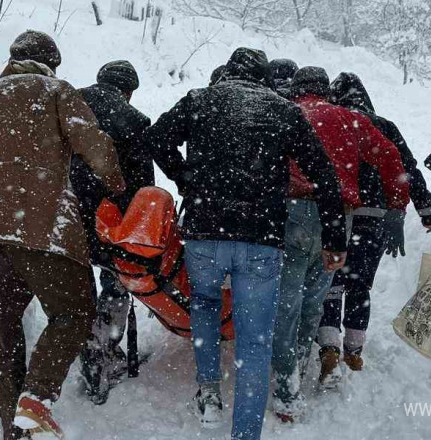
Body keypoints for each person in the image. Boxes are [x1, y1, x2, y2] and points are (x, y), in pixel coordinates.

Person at [0, 30, 125, 440]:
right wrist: (118, 185)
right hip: (45, 234)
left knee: (4, 340)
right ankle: (35, 399)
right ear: (51, 64)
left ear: (12, 60)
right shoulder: (55, 92)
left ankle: (14, 432)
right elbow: (97, 150)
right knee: (73, 313)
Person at [144, 48, 348, 440]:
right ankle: (245, 433)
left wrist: (188, 179)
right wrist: (335, 237)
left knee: (203, 303)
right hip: (261, 239)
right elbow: (323, 172)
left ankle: (209, 392)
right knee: (254, 339)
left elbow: (155, 138)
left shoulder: (200, 100)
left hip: (204, 233)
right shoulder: (282, 110)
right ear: (265, 78)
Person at [271, 66, 409, 422]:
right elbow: (391, 158)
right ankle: (304, 361)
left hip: (292, 212)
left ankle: (289, 384)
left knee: (288, 302)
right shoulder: (350, 120)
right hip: (338, 219)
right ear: (325, 91)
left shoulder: (285, 114)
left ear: (296, 89)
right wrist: (397, 203)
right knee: (315, 299)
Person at [316, 72, 431, 382]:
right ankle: (354, 350)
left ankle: (328, 344)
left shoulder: (334, 123)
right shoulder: (384, 126)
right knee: (360, 285)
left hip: (338, 214)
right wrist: (426, 209)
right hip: (376, 219)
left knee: (332, 282)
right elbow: (406, 169)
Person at [69, 60, 152, 405]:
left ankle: (84, 342)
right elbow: (144, 186)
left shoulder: (69, 103)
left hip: (66, 214)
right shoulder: (134, 120)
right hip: (110, 219)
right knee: (115, 285)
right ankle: (103, 352)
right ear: (129, 91)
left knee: (77, 286)